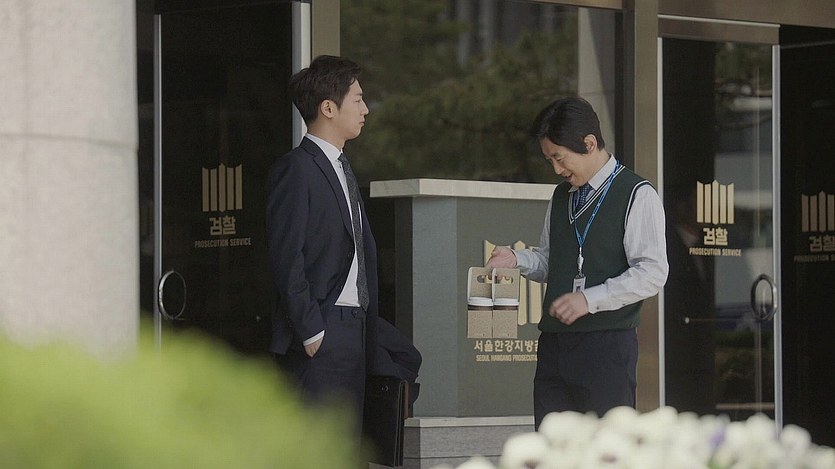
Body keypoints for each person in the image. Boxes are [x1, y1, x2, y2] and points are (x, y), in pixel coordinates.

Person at [486, 97, 668, 429]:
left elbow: (652, 272)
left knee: (606, 447)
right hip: (555, 345)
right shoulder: (561, 196)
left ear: (589, 143)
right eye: (549, 160)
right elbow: (550, 259)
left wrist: (589, 299)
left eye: (559, 157)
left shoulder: (636, 193)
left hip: (607, 345)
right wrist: (515, 259)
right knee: (551, 445)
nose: (557, 170)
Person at [266, 55, 378, 425]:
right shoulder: (297, 168)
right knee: (317, 441)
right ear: (328, 108)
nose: (365, 109)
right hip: (322, 328)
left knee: (346, 443)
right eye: (357, 99)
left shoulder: (342, 167)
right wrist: (312, 330)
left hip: (354, 327)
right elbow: (286, 256)